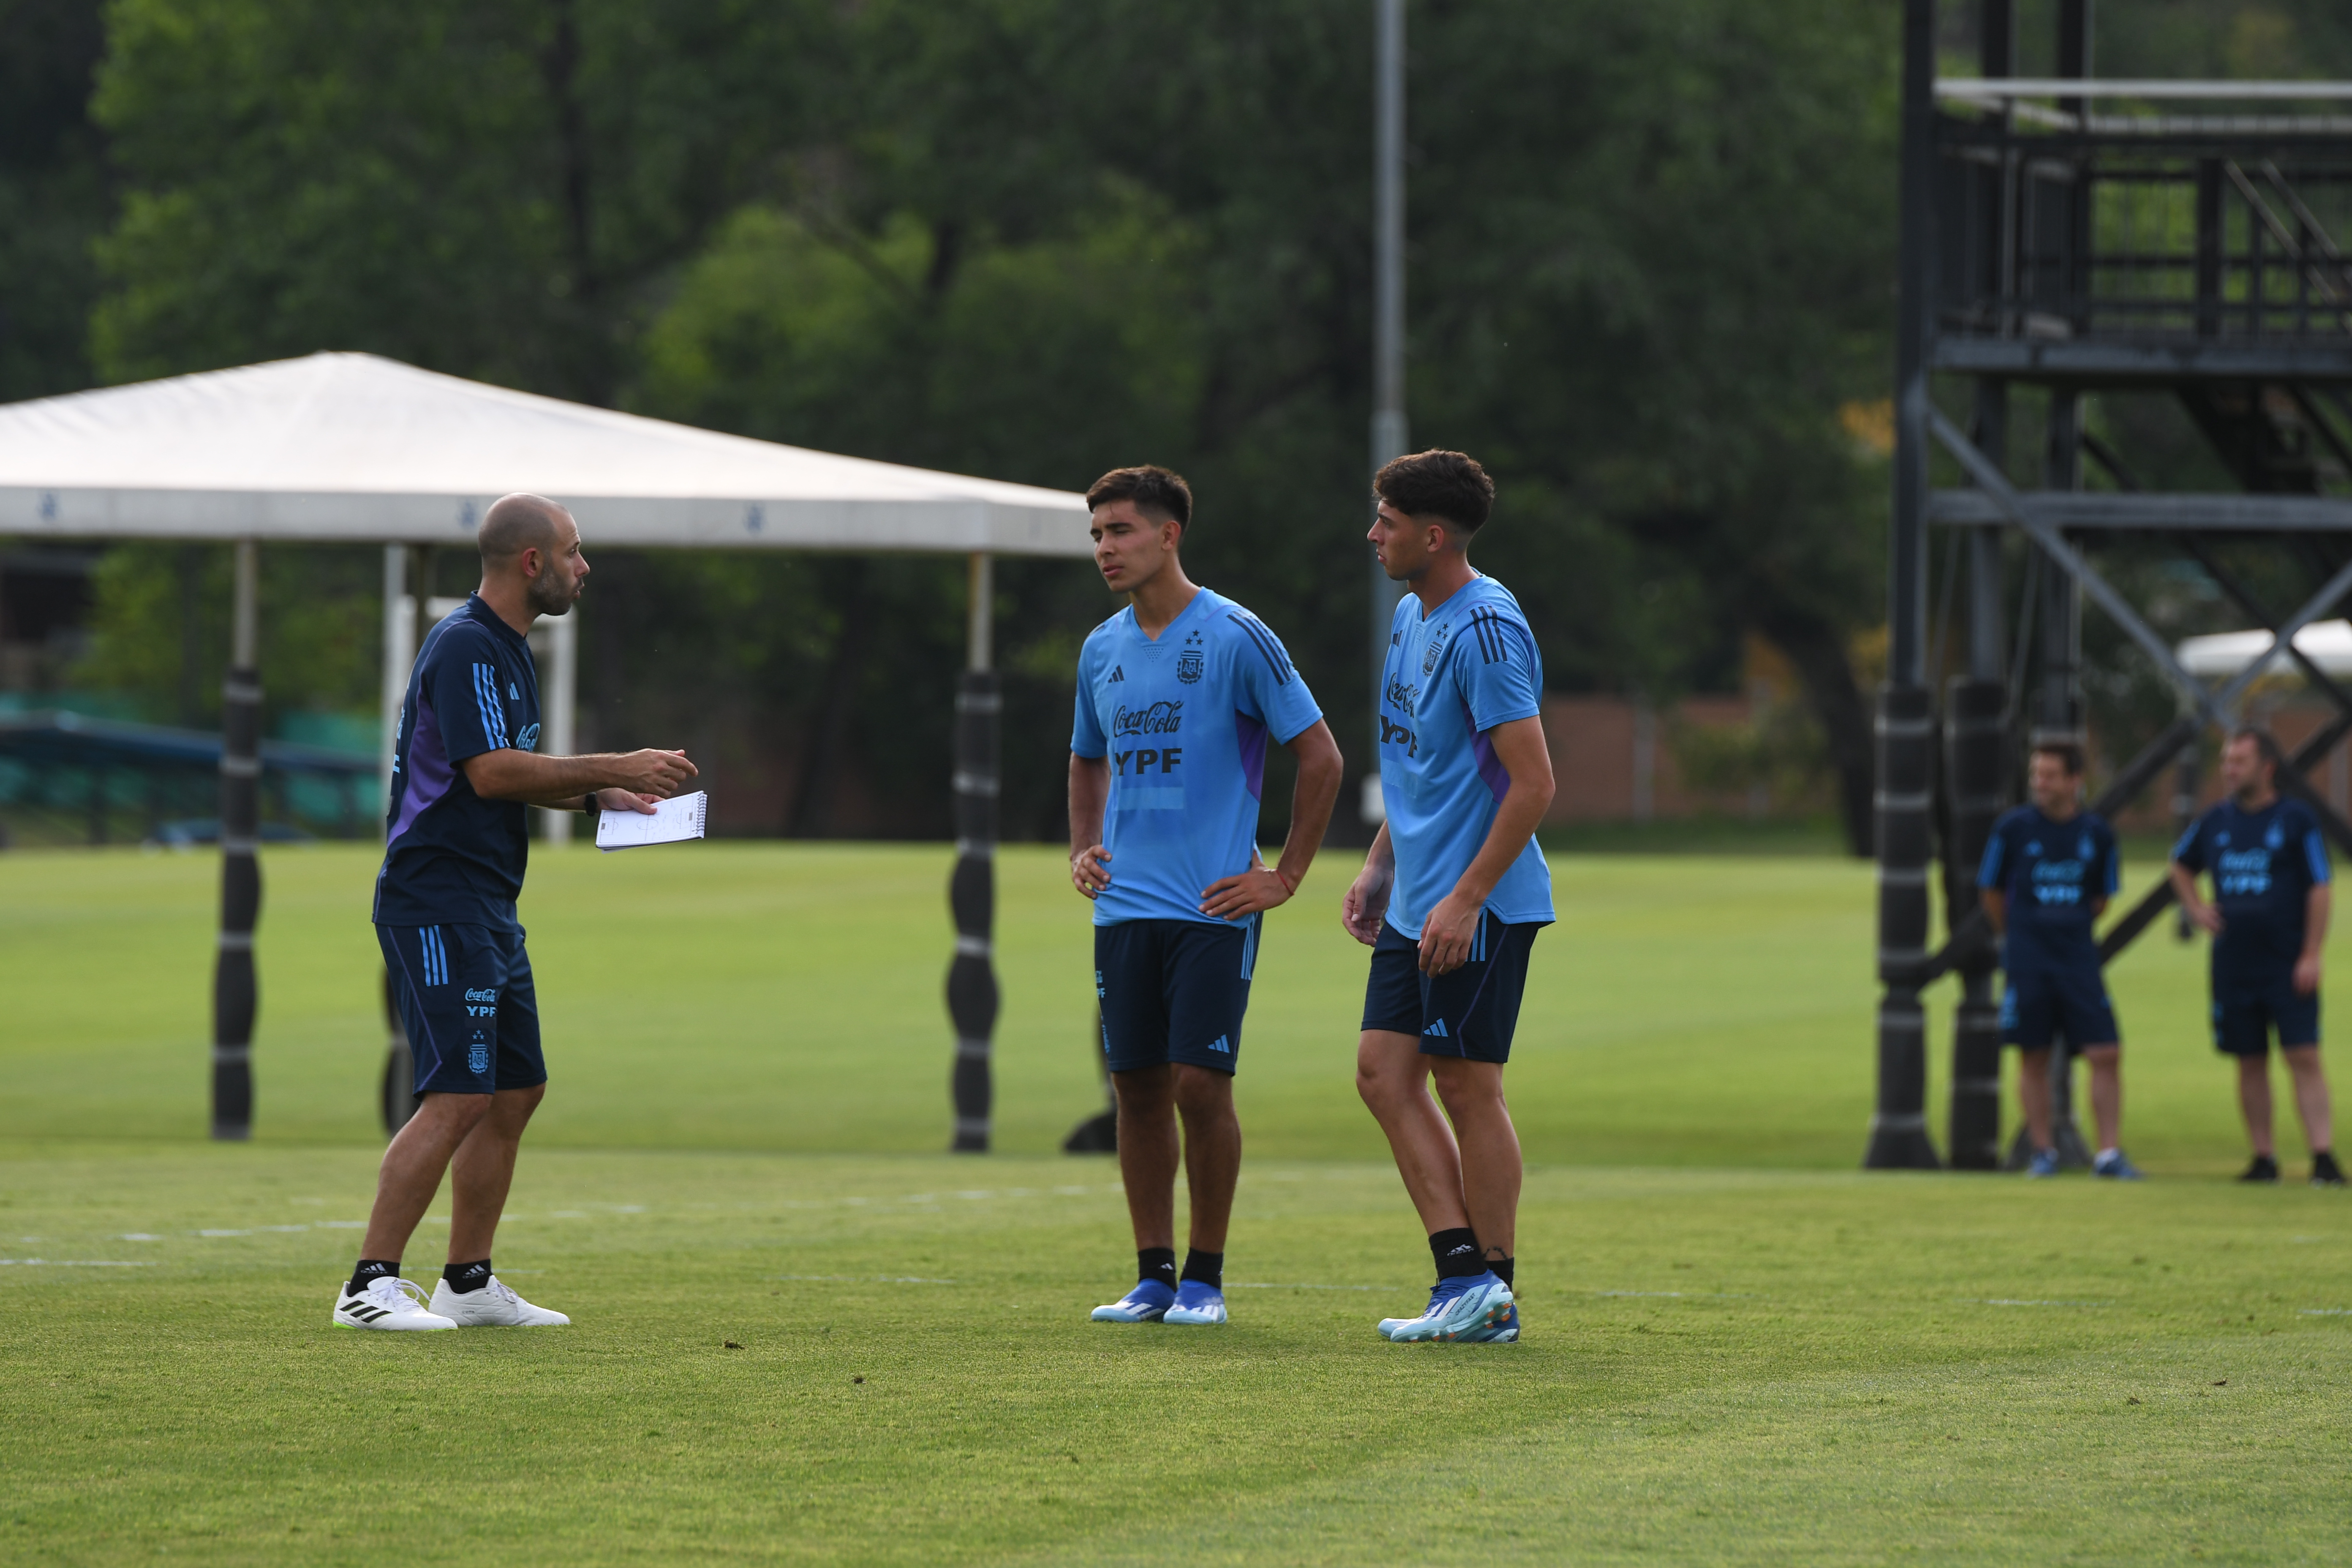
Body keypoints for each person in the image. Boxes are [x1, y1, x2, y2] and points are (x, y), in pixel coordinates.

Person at [334, 493, 701, 1330]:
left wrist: (598, 793)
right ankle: (370, 1285)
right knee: (458, 1093)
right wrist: (623, 759)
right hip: (436, 898)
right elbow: (492, 774)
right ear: (532, 561)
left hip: (488, 899)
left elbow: (501, 777)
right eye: (573, 551)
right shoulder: (466, 644)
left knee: (515, 1089)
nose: (585, 566)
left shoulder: (508, 648)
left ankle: (466, 1280)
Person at [1069, 465, 1343, 1327]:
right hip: (1125, 910)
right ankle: (1152, 1275)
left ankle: (1206, 1278)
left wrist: (1285, 875)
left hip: (1213, 905)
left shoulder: (1235, 635)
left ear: (1168, 534)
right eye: (1098, 535)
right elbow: (1085, 756)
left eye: (1120, 531)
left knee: (1199, 1084)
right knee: (1137, 1087)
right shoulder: (1100, 648)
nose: (1106, 549)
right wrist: (1084, 846)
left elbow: (1323, 757)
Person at [1344, 449, 1555, 1345]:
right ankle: (1460, 1274)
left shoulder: (1486, 629)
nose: (1373, 534)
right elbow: (1416, 759)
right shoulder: (1409, 612)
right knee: (1383, 1074)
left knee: (1469, 1084)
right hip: (1415, 895)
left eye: (1386, 520)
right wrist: (1380, 861)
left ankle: (1493, 1291)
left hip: (1481, 903)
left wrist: (1466, 898)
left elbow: (1534, 783)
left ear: (1432, 535)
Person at [2169, 729, 2344, 1187]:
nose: (2229, 769)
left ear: (2266, 767)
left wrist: (2310, 952)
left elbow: (2320, 885)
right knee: (2249, 1059)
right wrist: (2194, 905)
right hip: (2233, 964)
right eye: (2226, 761)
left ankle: (2322, 1157)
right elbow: (2179, 863)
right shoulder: (2215, 821)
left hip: (2286, 962)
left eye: (2239, 761)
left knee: (2302, 1054)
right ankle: (2263, 1158)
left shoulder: (2295, 820)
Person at [1977, 742, 2140, 1179]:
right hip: (2029, 959)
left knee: (2105, 1051)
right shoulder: (2012, 830)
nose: (2040, 783)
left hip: (2078, 959)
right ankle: (2043, 1152)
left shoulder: (2098, 834)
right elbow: (1990, 892)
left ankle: (2108, 1154)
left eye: (2050, 775)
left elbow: (2102, 898)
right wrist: (2015, 935)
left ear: (2075, 781)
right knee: (2033, 1054)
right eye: (2036, 774)